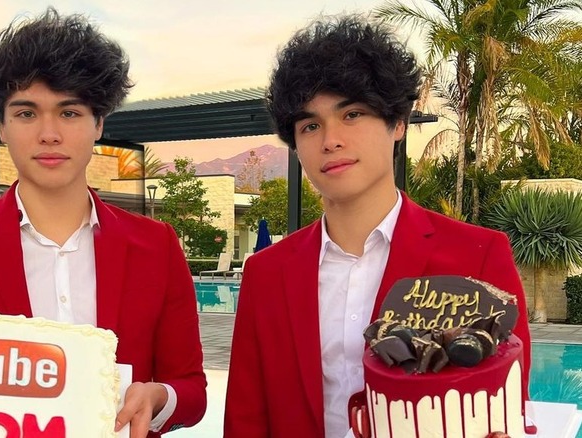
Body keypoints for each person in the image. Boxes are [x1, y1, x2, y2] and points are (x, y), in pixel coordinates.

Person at [0, 8, 206, 437]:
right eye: (26, 113)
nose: (49, 134)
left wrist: (158, 397)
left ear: (99, 124)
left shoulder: (156, 245)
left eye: (70, 113)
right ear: (0, 125)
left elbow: (190, 388)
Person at [224, 15, 531, 437]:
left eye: (352, 114)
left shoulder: (477, 256)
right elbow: (245, 421)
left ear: (398, 122)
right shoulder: (266, 273)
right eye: (310, 125)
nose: (330, 140)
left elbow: (505, 404)